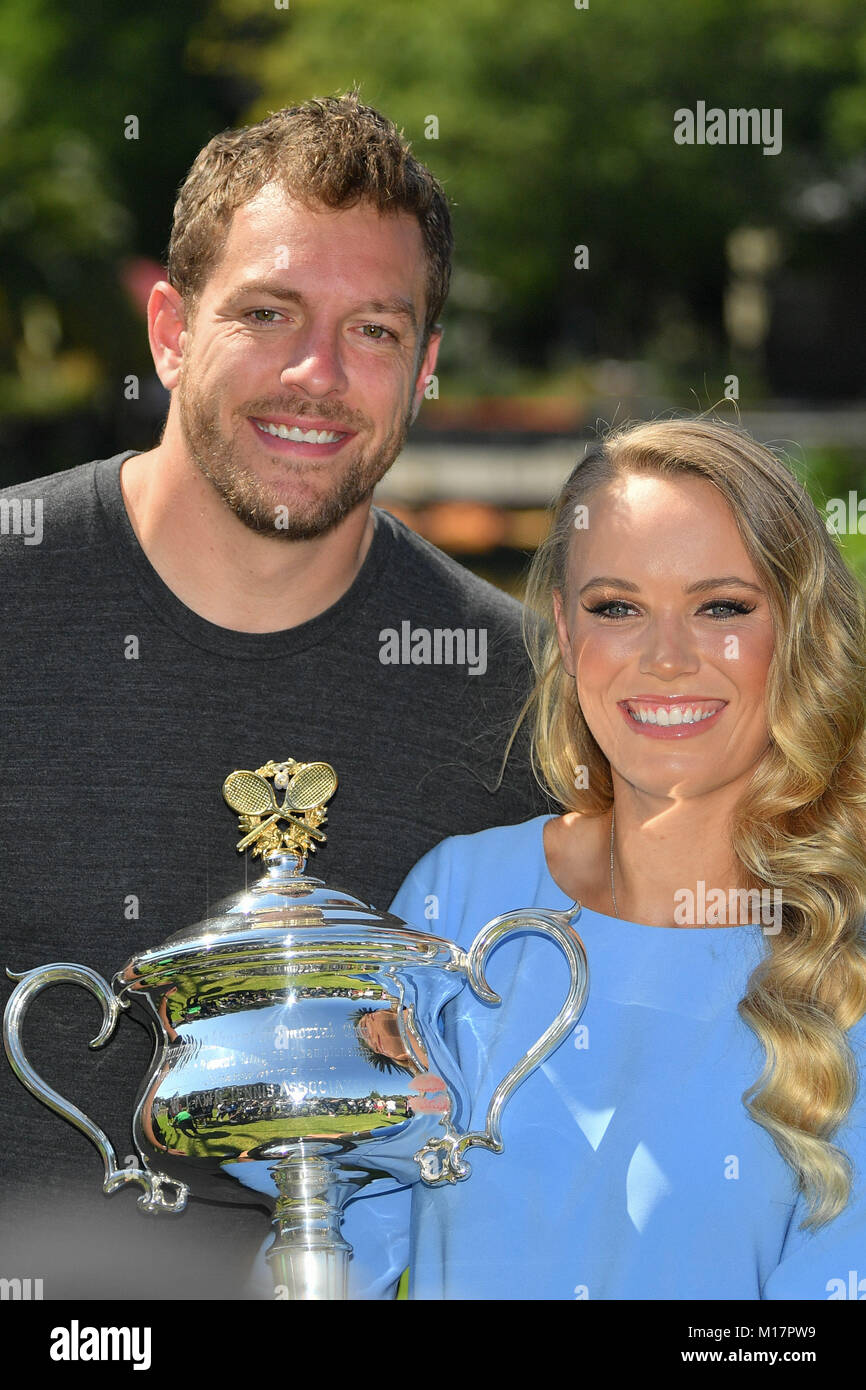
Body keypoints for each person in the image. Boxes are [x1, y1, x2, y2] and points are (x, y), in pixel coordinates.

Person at [0, 92, 550, 1300]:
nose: (318, 375)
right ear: (170, 329)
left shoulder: (512, 694)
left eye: (374, 330)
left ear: (426, 369)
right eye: (268, 313)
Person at [335, 415, 866, 1300]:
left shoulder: (844, 951)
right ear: (565, 632)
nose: (667, 658)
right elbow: (339, 1239)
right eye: (617, 608)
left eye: (721, 607)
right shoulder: (459, 894)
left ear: (799, 631)